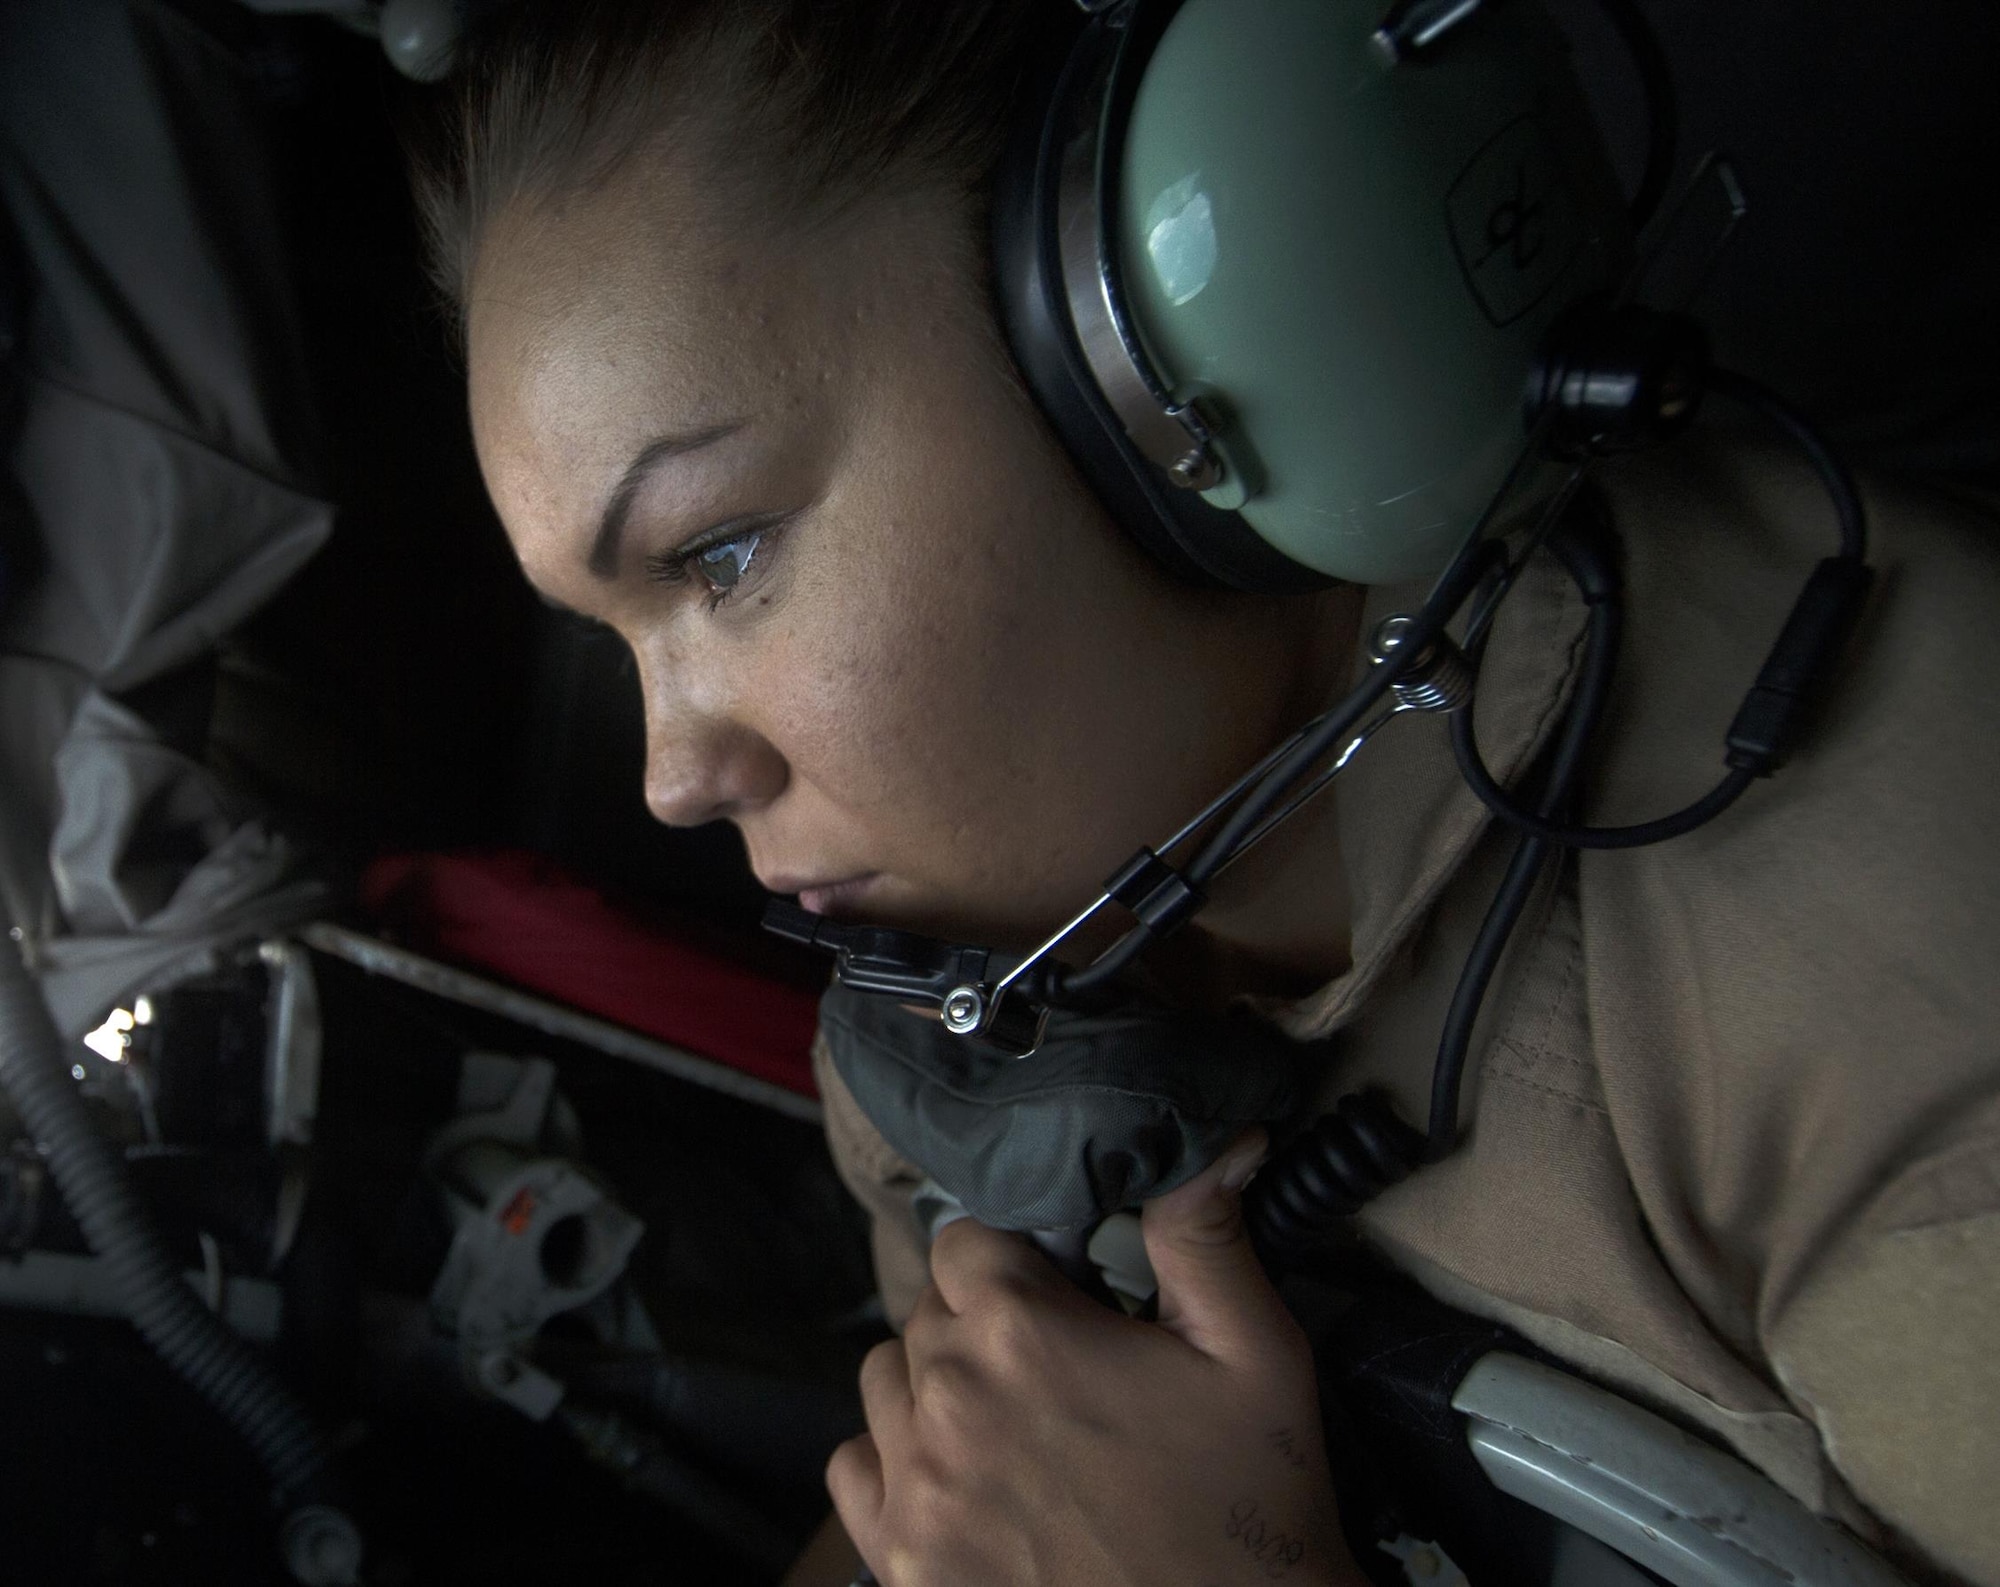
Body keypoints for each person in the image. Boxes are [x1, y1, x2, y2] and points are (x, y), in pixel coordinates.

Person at [413, 3, 2000, 1584]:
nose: (675, 781)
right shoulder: (981, 954)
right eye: (616, 638)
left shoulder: (1892, 1004)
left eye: (719, 553)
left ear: (1177, 355)